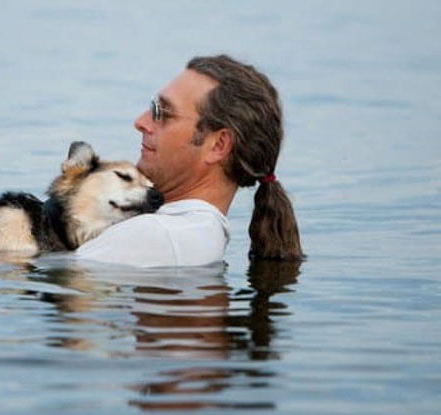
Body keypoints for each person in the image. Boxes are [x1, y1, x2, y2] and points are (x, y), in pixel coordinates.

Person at [76, 54, 304, 267]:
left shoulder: (157, 235)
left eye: (163, 113)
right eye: (153, 108)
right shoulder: (196, 233)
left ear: (218, 145)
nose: (141, 122)